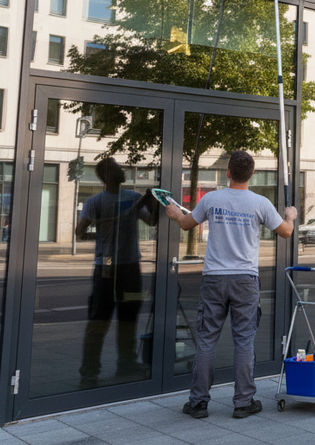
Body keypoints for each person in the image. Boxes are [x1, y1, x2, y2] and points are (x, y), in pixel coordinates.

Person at [164, 150, 296, 419]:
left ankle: (198, 403)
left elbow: (187, 224)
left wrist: (175, 213)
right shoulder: (260, 203)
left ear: (227, 172)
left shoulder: (212, 199)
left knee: (206, 341)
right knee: (244, 341)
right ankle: (243, 403)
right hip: (246, 281)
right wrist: (291, 215)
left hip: (213, 279)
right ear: (252, 174)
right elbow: (286, 232)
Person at [76, 158, 158, 390]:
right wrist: (103, 232)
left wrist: (154, 204)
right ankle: (89, 373)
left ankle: (126, 364)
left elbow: (151, 221)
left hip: (131, 266)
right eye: (118, 168)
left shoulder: (133, 198)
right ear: (108, 176)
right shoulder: (95, 202)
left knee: (128, 318)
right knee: (99, 321)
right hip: (107, 267)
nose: (123, 171)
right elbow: (79, 232)